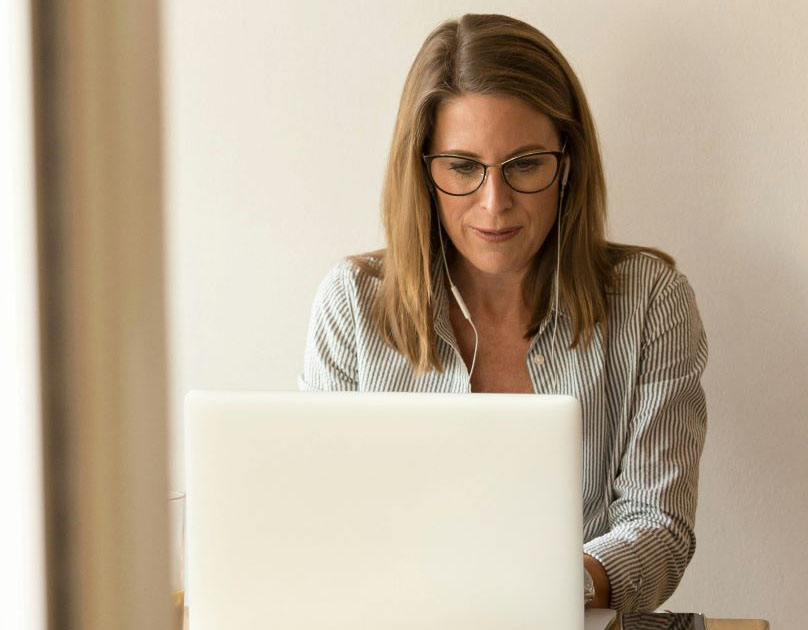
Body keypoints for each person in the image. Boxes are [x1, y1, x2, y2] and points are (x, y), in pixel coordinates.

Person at [298, 13, 708, 614]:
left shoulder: (650, 302)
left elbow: (660, 526)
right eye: (463, 167)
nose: (495, 204)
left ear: (566, 163)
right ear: (423, 171)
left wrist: (557, 586)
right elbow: (319, 521)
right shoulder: (352, 305)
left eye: (524, 164)